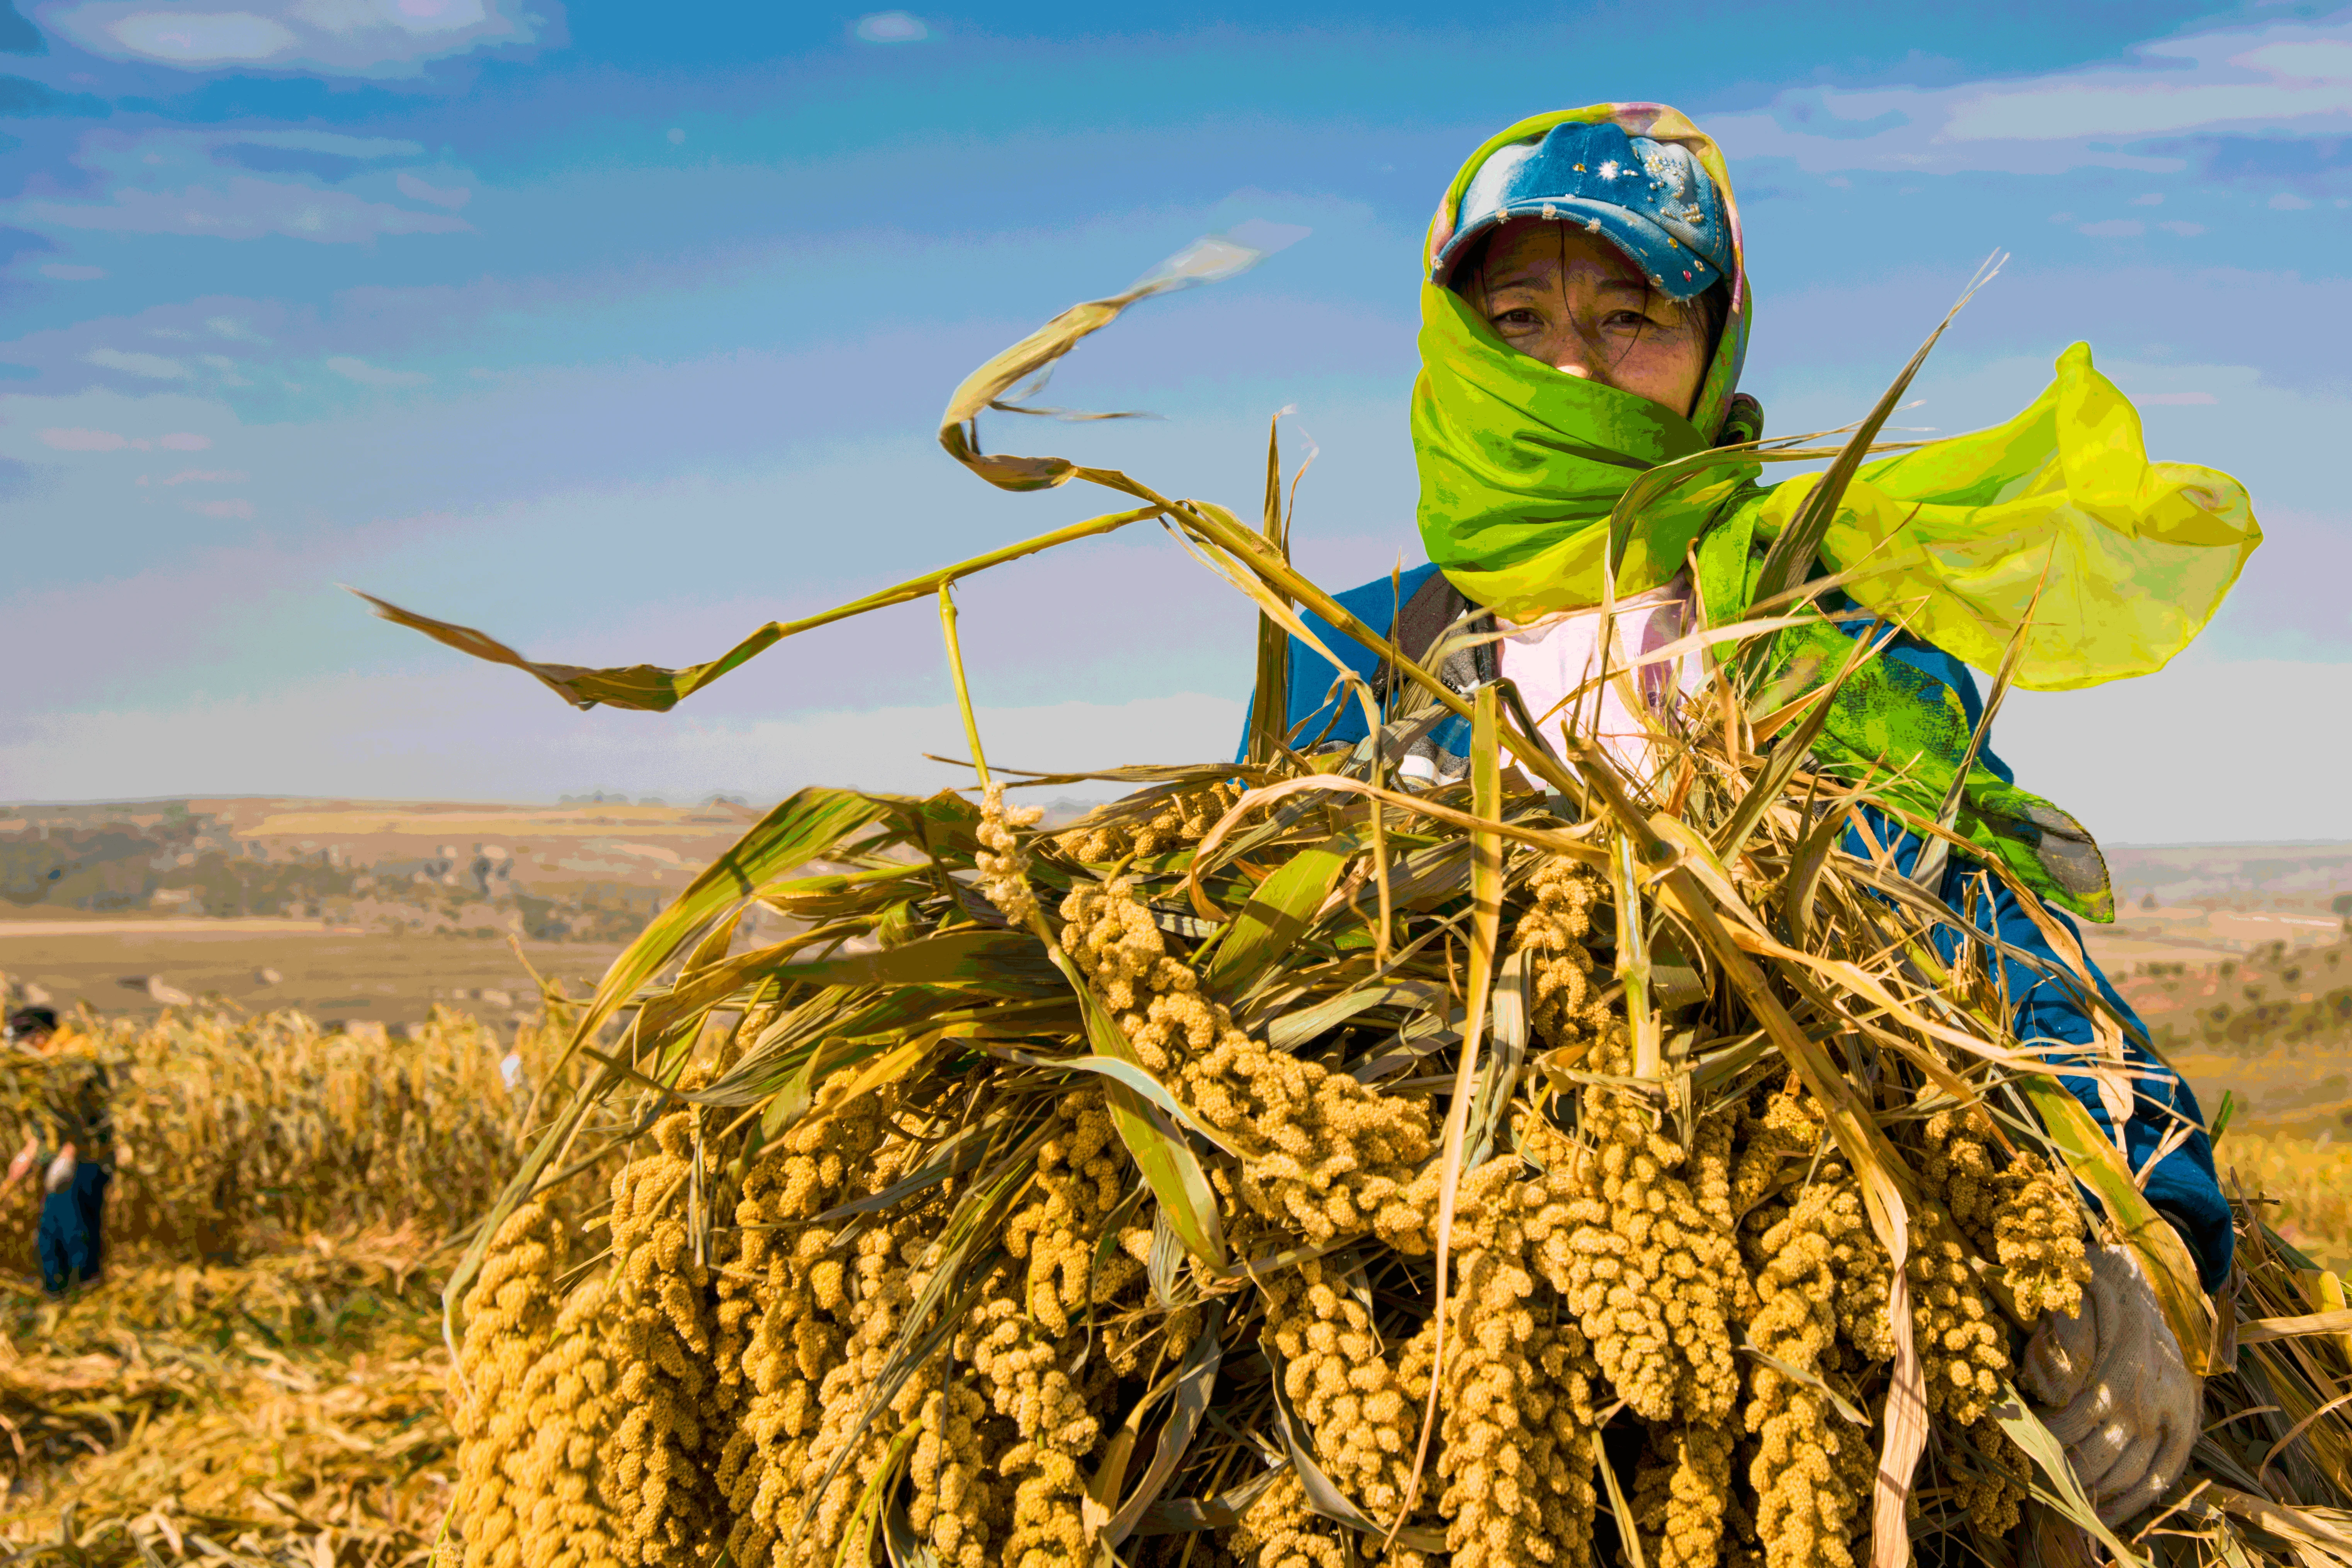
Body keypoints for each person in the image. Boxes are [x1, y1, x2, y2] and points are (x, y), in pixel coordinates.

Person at [1250, 105, 2259, 1525]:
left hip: (1792, 1330)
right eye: (1521, 314)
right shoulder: (1350, 653)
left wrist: (2146, 1234)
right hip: (1436, 1349)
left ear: (1714, 337)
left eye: (1632, 314)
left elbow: (1994, 946)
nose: (1573, 362)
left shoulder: (1814, 621)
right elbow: (1246, 970)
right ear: (1453, 336)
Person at [0, 1006, 114, 1295]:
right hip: (62, 1158)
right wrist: (28, 1153)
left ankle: (80, 1296)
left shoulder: (73, 1061)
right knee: (53, 1232)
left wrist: (68, 1154)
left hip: (85, 1159)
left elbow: (83, 1114)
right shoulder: (48, 1063)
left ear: (39, 1036)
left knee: (72, 1231)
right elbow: (49, 1119)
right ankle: (59, 1294)